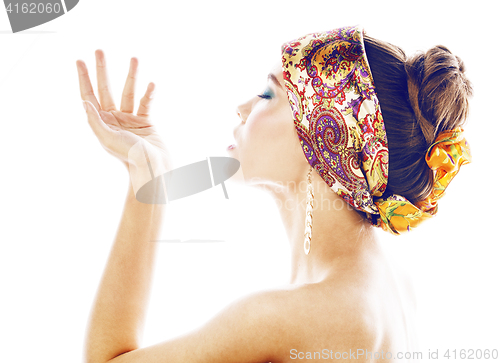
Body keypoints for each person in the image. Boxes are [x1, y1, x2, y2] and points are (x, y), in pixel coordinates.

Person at [76, 25, 472, 362]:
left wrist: (147, 177)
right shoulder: (392, 287)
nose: (242, 108)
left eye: (268, 95)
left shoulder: (290, 316)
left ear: (323, 141)